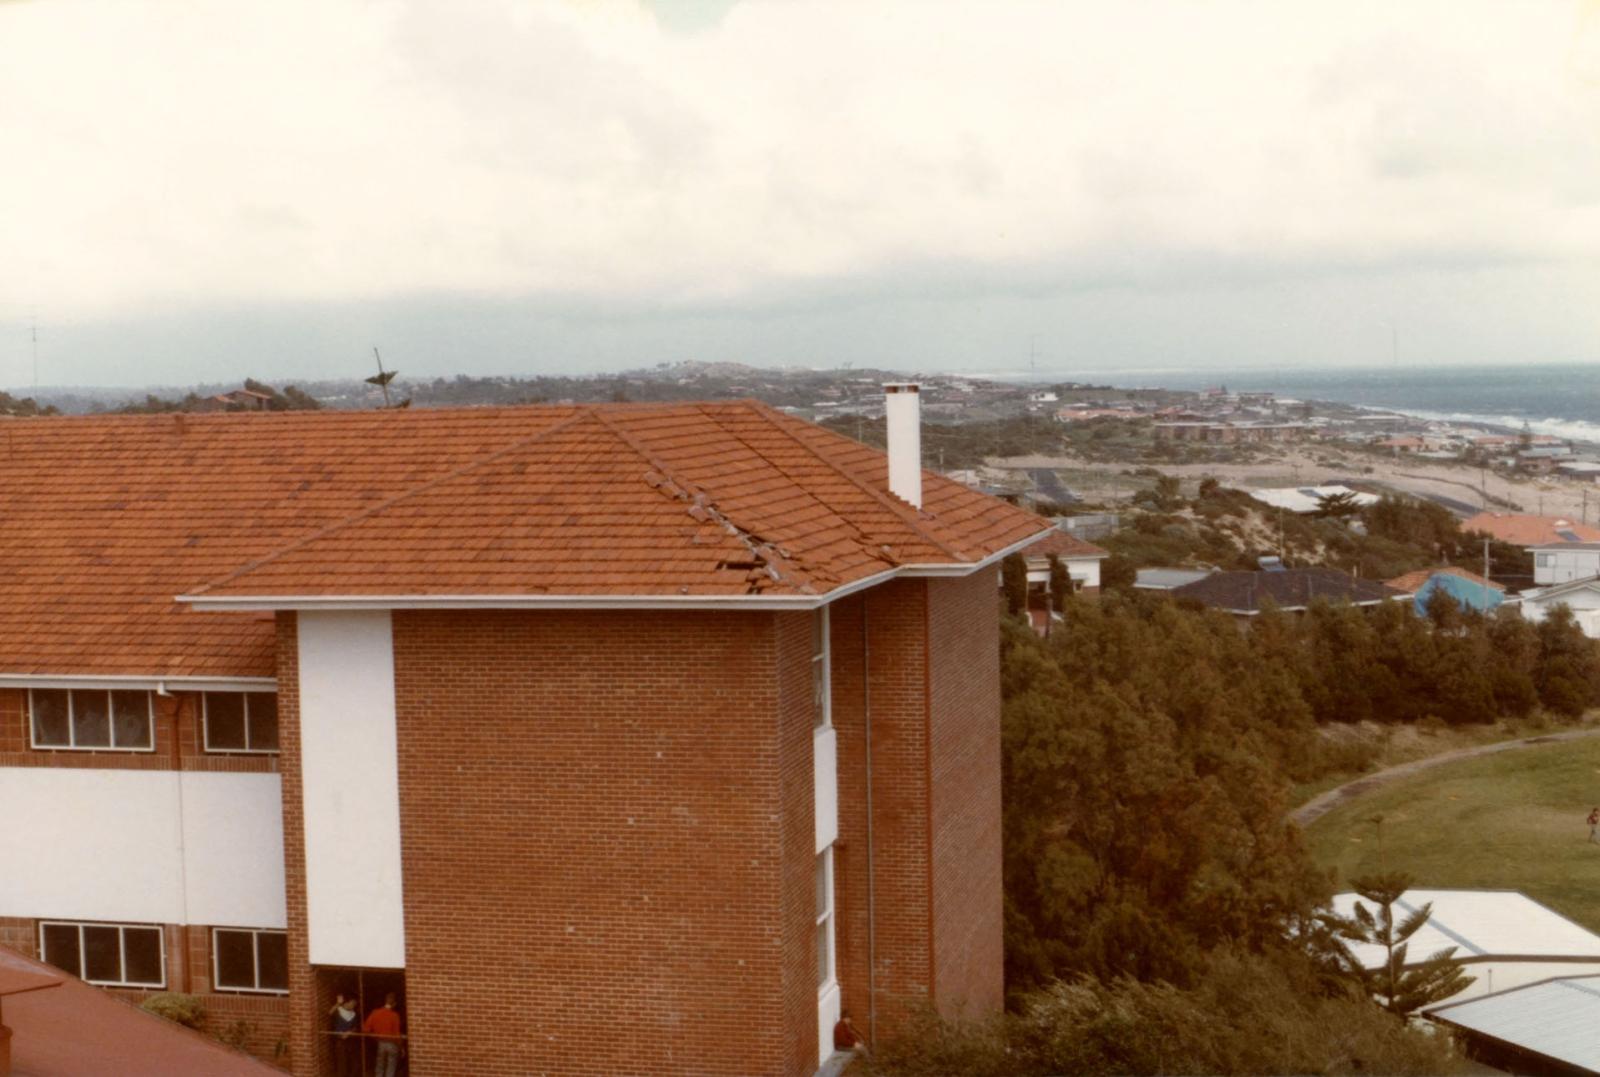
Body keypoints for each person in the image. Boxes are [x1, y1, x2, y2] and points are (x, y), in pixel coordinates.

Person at [362, 993, 403, 1077]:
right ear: (394, 1004)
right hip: (392, 1044)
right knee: (391, 1065)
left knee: (380, 1065)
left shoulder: (375, 1012)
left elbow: (365, 1029)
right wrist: (401, 1047)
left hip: (380, 1043)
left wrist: (375, 1037)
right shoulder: (395, 1015)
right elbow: (396, 1033)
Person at [329, 992, 360, 1077]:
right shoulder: (338, 1010)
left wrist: (350, 1032)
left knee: (354, 1063)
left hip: (351, 1040)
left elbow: (356, 1027)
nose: (354, 1005)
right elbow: (330, 1013)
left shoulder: (354, 1014)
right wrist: (338, 1003)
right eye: (353, 1003)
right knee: (342, 1063)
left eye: (355, 1004)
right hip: (340, 1041)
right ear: (347, 1002)